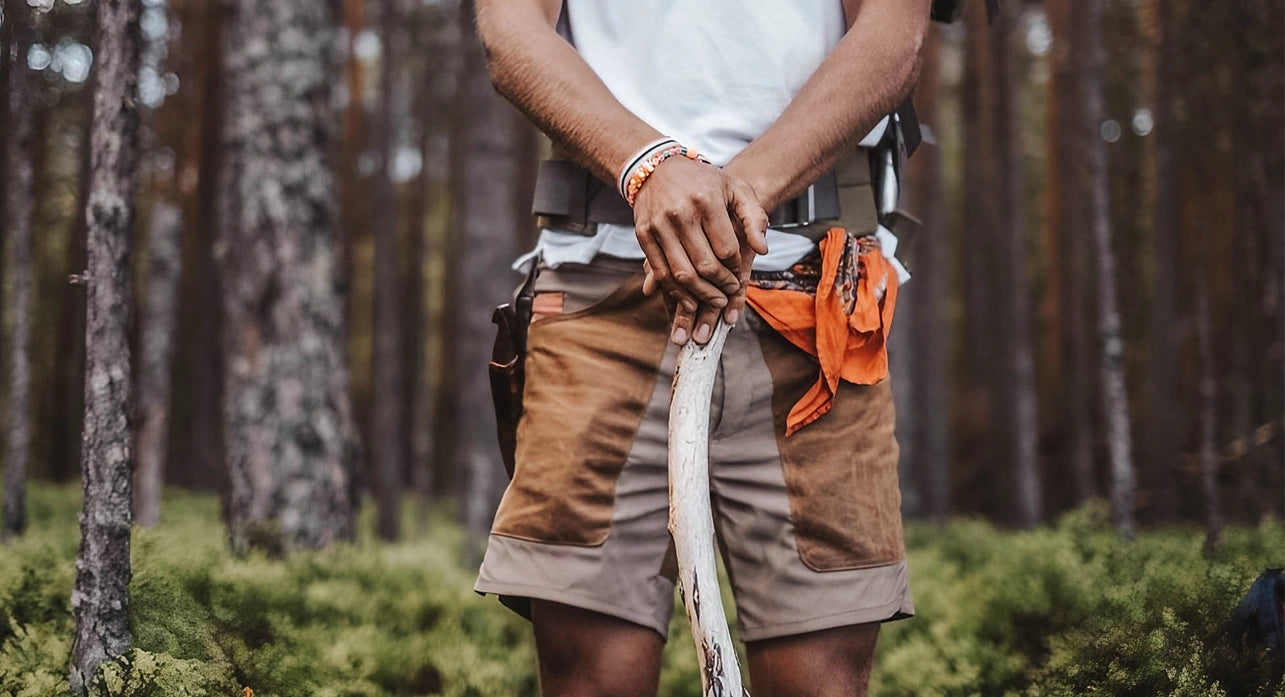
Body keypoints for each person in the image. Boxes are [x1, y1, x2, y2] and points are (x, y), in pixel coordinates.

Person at [472, 1, 931, 694]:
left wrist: (731, 197)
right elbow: (510, 31)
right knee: (590, 677)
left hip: (818, 312)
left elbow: (894, 35)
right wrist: (649, 167)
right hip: (602, 297)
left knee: (822, 681)